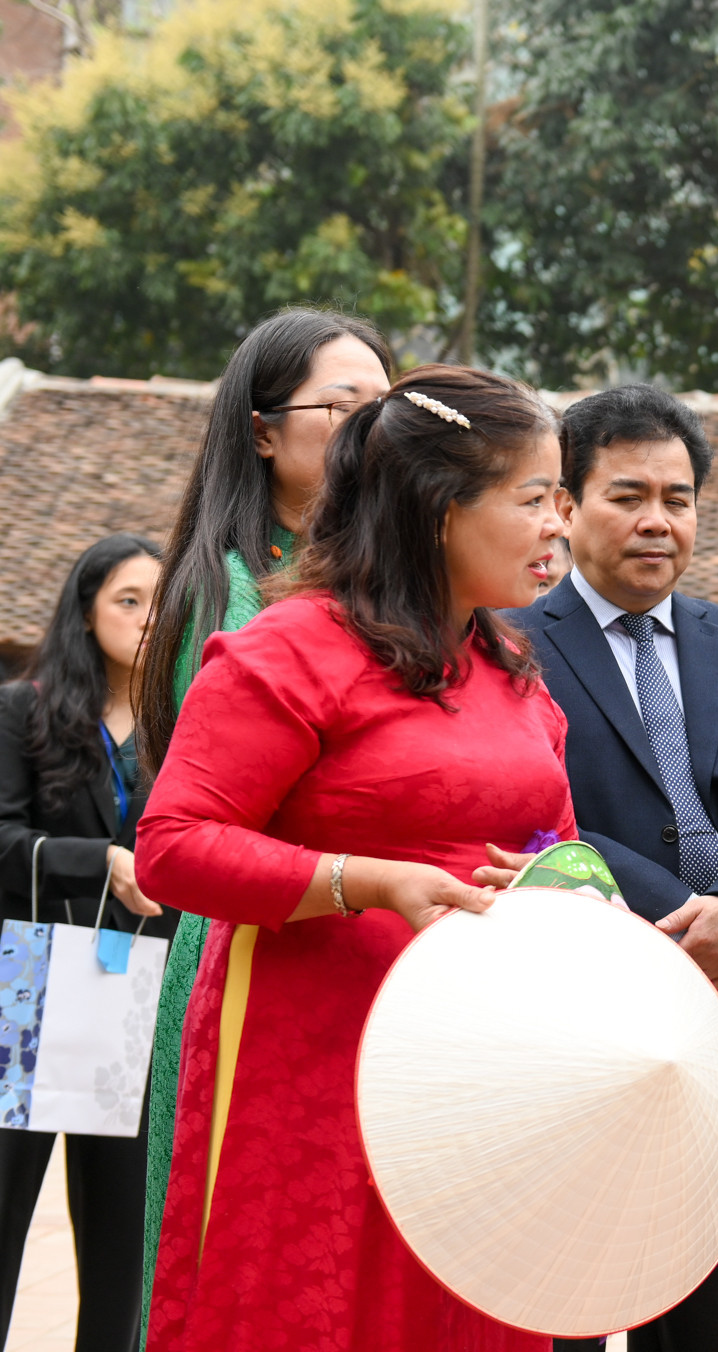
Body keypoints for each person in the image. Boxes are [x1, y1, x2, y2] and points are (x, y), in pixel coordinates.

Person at [135, 366, 569, 1351]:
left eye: (562, 498)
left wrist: (561, 886)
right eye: (534, 496)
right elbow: (172, 846)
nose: (558, 523)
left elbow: (556, 841)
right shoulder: (288, 649)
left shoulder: (508, 667)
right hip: (315, 1057)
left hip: (475, 1069)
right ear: (439, 507)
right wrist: (359, 880)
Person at [506, 383, 718, 1352]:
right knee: (572, 1299)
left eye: (676, 498)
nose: (654, 520)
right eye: (626, 494)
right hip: (583, 1016)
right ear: (566, 504)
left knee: (706, 1309)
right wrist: (690, 918)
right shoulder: (507, 647)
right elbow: (531, 818)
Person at [133, 307, 393, 1329]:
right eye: (345, 406)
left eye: (388, 405)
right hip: (247, 948)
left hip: (381, 952)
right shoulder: (229, 594)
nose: (373, 427)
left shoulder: (399, 589)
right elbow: (190, 826)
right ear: (260, 431)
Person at [0, 534, 171, 1351]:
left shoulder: (184, 728)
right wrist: (97, 860)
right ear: (86, 609)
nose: (145, 619)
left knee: (123, 1231)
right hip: (27, 986)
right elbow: (0, 842)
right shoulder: (24, 710)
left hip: (141, 988)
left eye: (157, 601)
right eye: (127, 600)